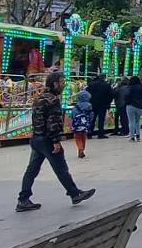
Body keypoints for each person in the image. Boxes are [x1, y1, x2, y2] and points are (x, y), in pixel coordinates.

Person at [16, 73, 96, 212]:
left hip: (36, 138)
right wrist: (56, 141)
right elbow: (53, 122)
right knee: (61, 168)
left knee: (32, 170)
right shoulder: (52, 100)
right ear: (54, 84)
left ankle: (23, 199)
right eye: (62, 82)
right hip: (47, 140)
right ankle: (75, 193)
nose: (64, 85)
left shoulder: (39, 98)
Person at [87, 75, 113, 140]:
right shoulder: (106, 85)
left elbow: (87, 94)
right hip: (103, 105)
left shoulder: (91, 84)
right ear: (104, 78)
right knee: (101, 120)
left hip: (93, 104)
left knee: (92, 119)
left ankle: (89, 133)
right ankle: (100, 134)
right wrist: (108, 103)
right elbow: (110, 95)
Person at [71, 89, 94, 159]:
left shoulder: (76, 106)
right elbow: (91, 114)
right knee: (83, 137)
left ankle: (80, 149)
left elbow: (73, 114)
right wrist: (90, 121)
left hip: (77, 124)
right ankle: (82, 149)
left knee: (77, 137)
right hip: (85, 124)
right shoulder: (89, 105)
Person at [124, 76, 142, 142]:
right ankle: (138, 136)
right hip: (139, 106)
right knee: (137, 121)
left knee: (131, 121)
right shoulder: (141, 88)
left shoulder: (130, 87)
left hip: (131, 105)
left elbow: (127, 96)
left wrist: (126, 102)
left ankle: (132, 137)